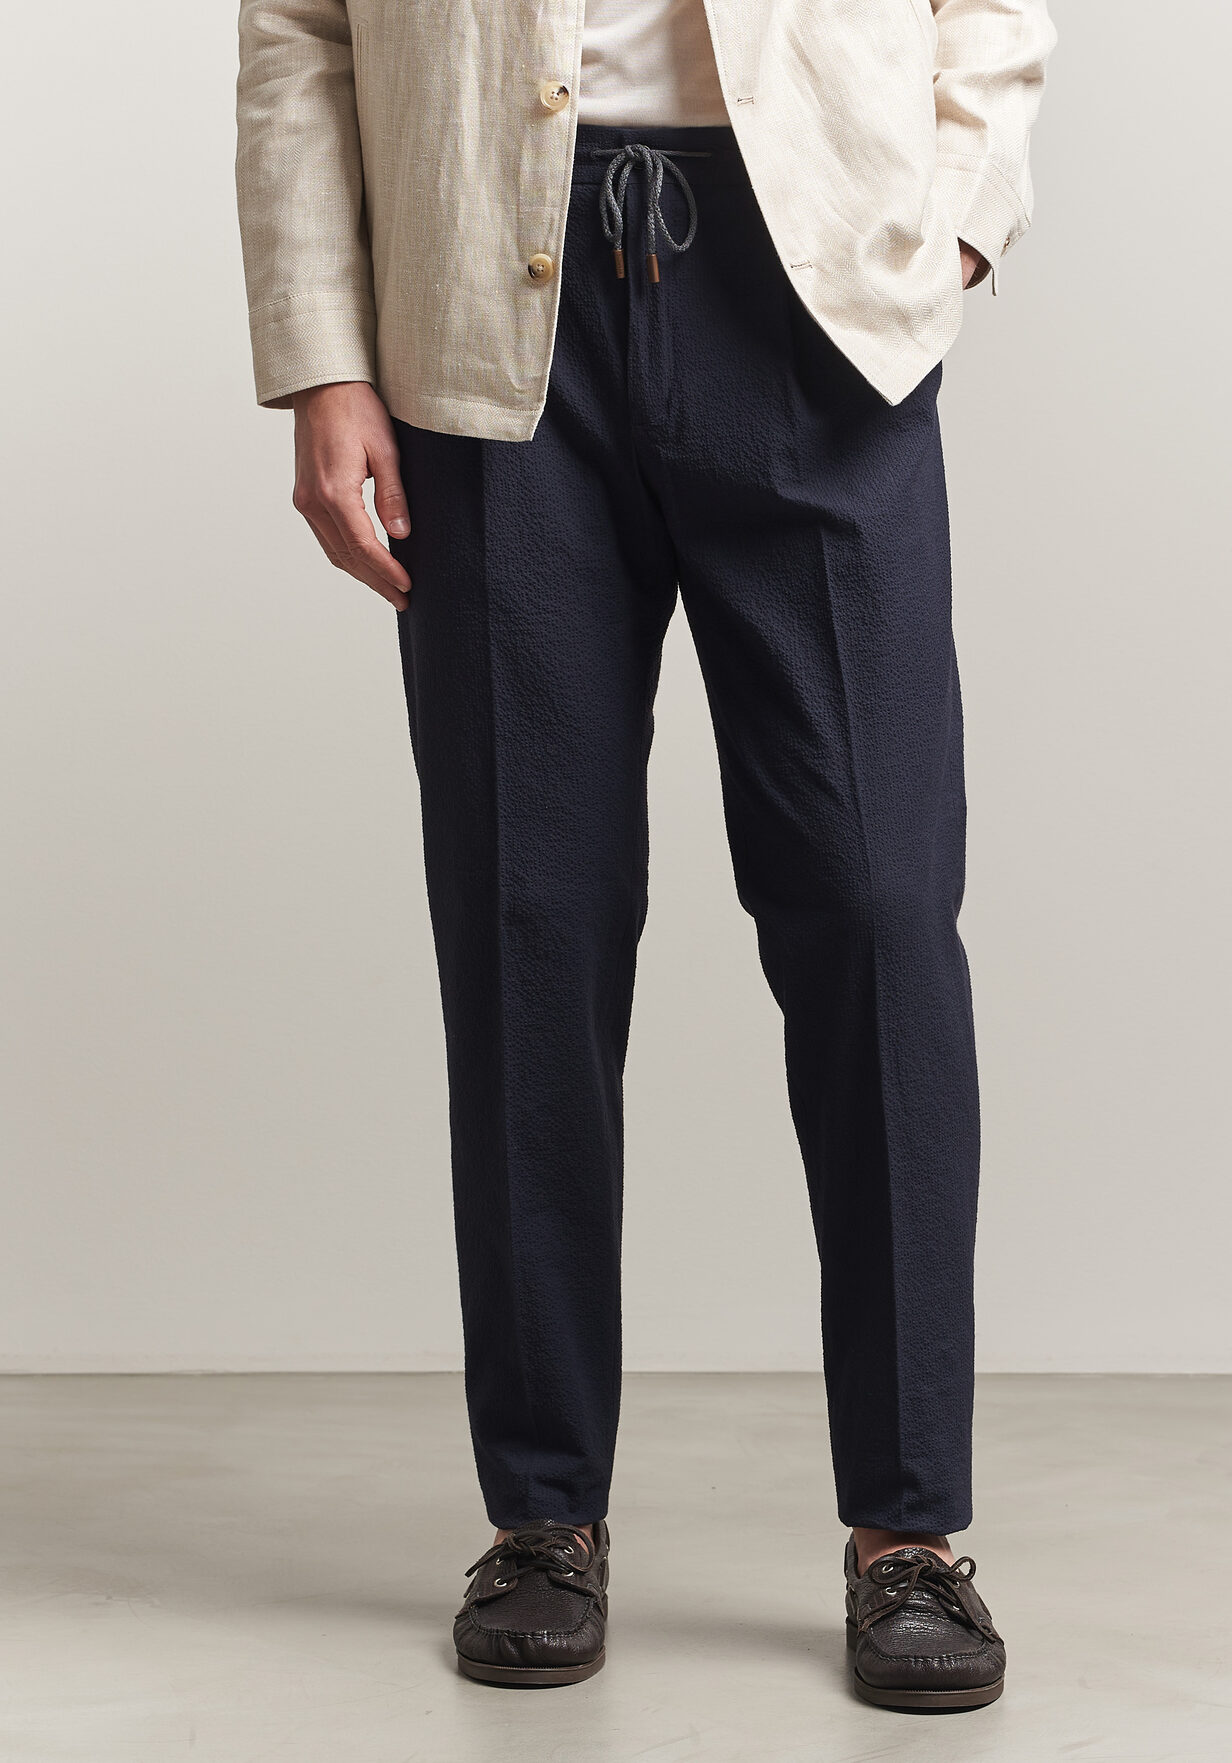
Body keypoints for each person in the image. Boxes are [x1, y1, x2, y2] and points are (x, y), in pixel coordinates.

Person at [236, 0, 1055, 1712]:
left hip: (814, 293)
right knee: (528, 915)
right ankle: (542, 1516)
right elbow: (301, 28)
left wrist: (959, 219)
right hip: (486, 296)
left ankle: (909, 1530)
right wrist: (321, 350)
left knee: (878, 910)